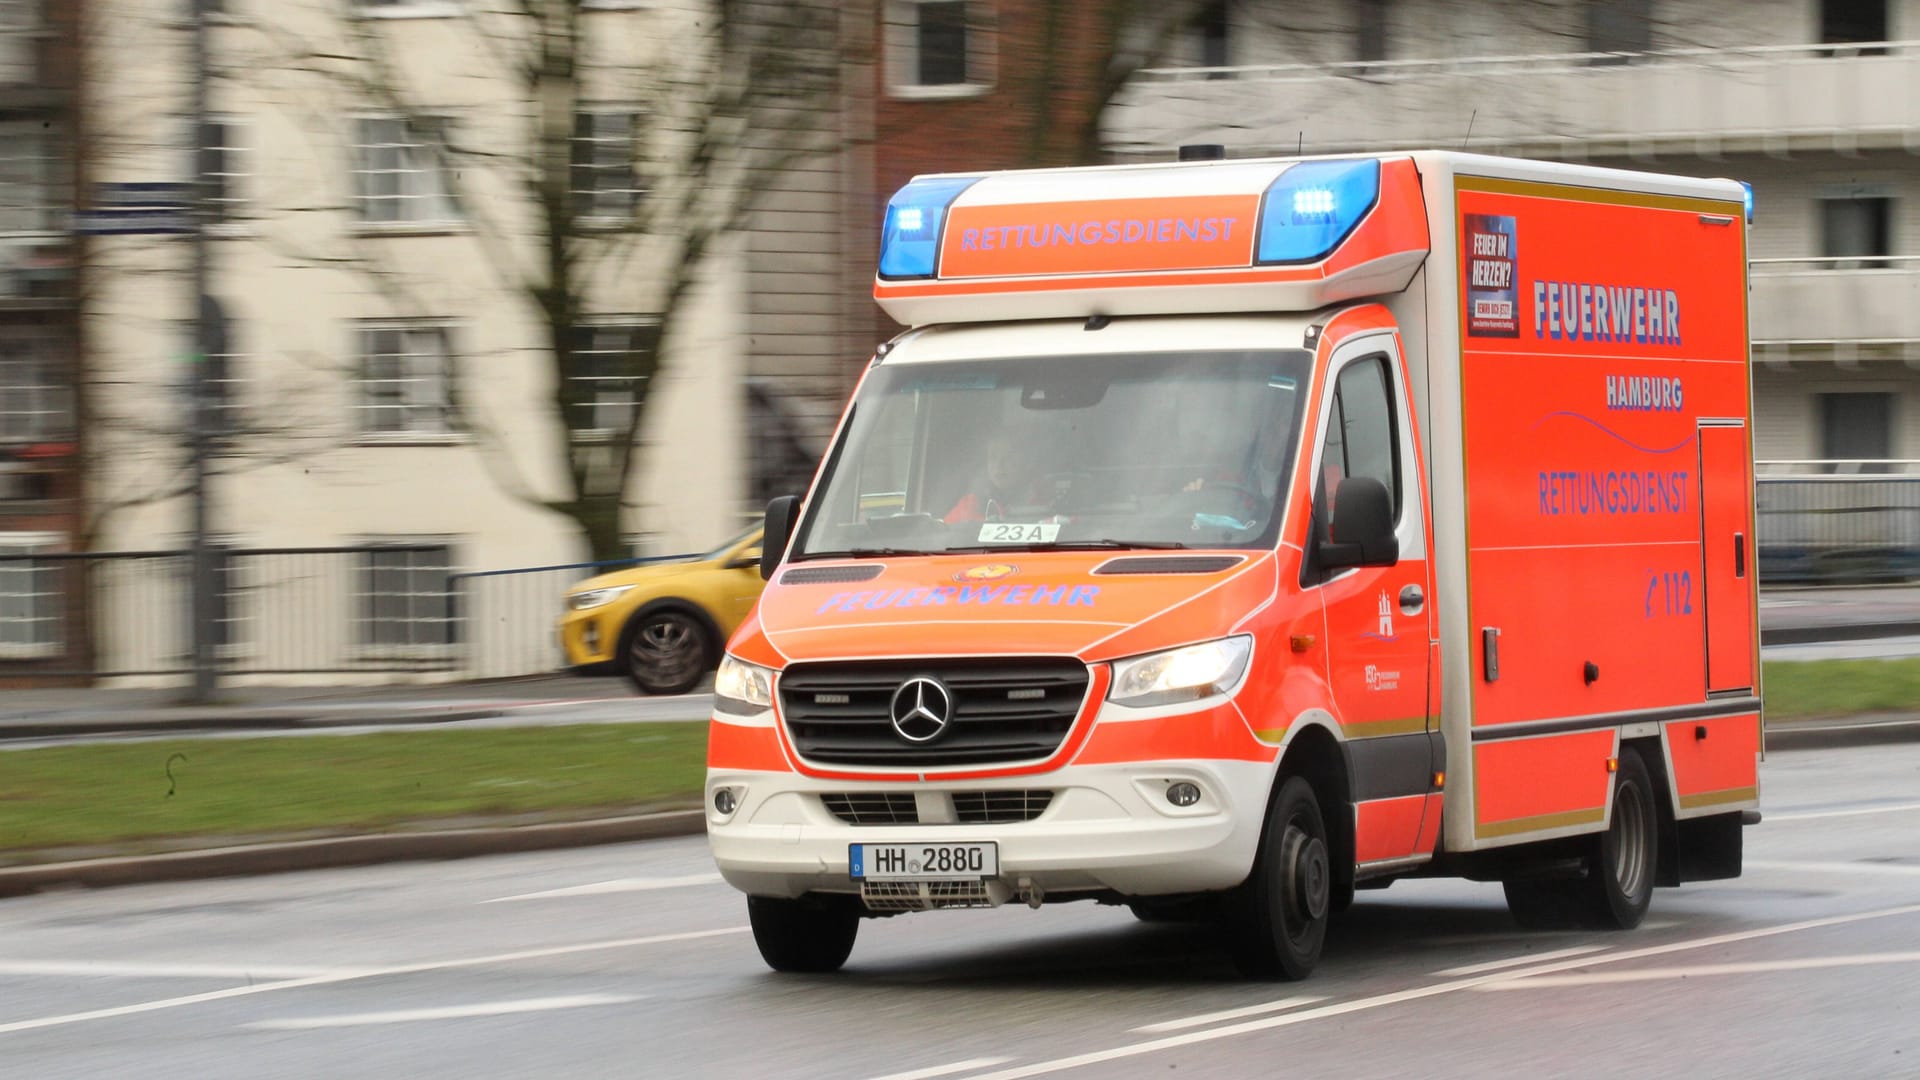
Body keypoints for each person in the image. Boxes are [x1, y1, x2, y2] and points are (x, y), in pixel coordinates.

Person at [943, 431, 1045, 523]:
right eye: (993, 457)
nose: (999, 465)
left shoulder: (1045, 501)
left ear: (1025, 462)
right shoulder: (969, 505)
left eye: (1008, 457)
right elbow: (943, 535)